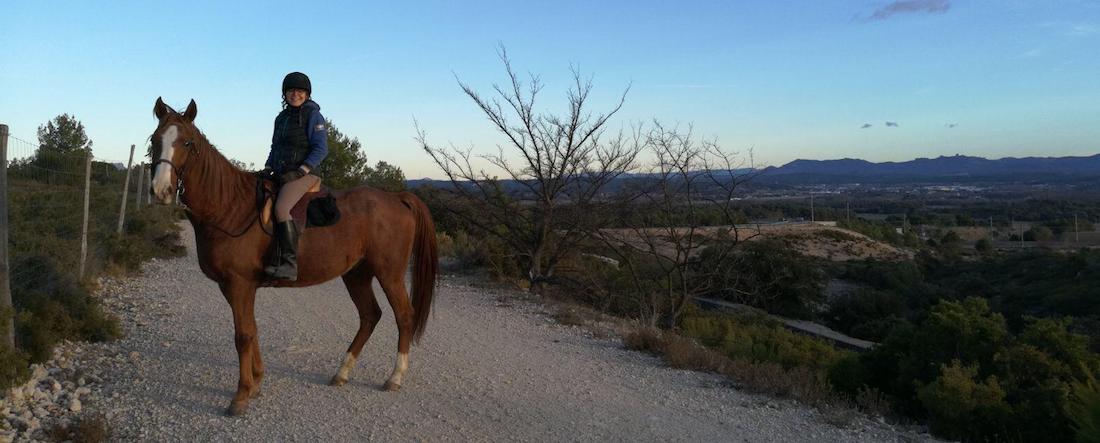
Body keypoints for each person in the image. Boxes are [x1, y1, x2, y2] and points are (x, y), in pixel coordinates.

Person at [262, 72, 328, 281]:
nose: (295, 94)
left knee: (281, 208)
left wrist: (302, 170)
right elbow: (275, 147)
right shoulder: (280, 119)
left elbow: (321, 148)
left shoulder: (313, 116)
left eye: (300, 91)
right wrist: (268, 166)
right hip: (282, 172)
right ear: (285, 94)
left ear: (307, 94)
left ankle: (290, 264)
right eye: (291, 90)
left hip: (305, 174)